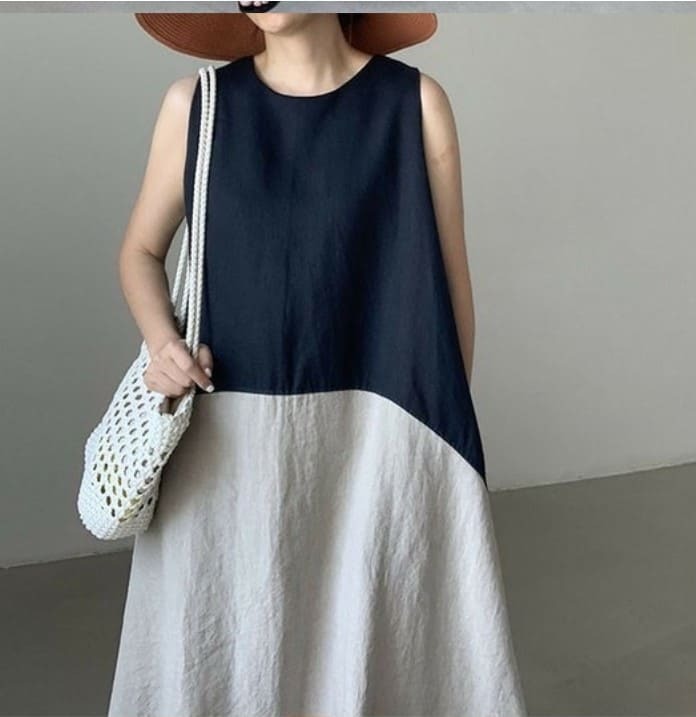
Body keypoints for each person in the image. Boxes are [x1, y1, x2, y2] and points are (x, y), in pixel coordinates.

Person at [107, 6, 528, 716]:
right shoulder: (198, 104)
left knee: (373, 630)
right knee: (229, 636)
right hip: (224, 439)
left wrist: (445, 439)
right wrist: (163, 343)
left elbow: (449, 281)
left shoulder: (415, 103)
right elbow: (140, 252)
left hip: (380, 430)